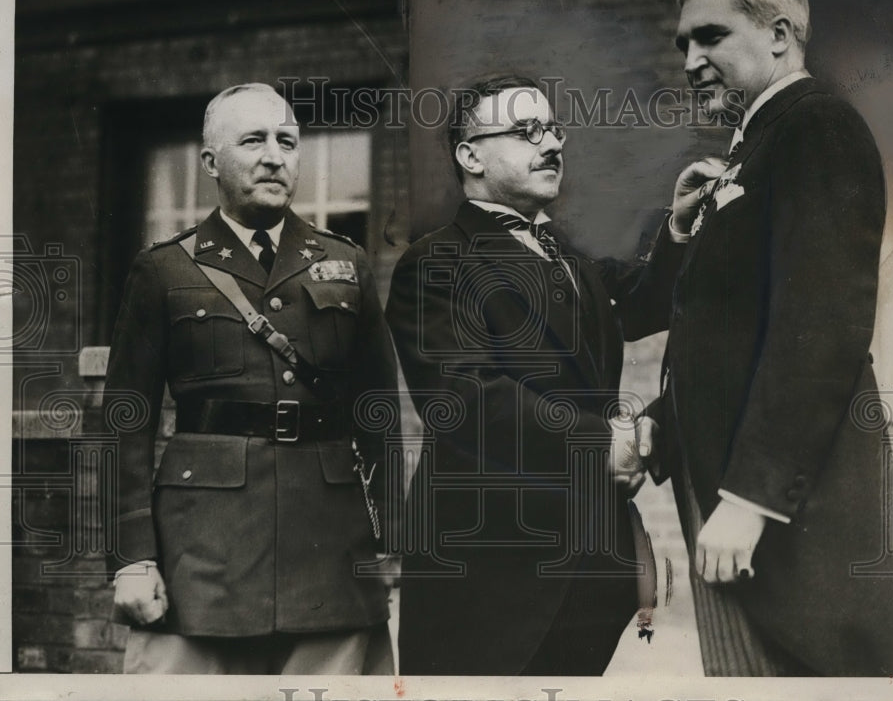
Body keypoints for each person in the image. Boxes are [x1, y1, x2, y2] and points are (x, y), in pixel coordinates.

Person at [603, 0, 893, 676]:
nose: (690, 60)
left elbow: (822, 331)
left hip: (788, 522)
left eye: (710, 36)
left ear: (779, 35)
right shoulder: (754, 150)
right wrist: (660, 425)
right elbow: (725, 341)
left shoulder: (818, 128)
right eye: (683, 43)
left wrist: (751, 497)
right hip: (737, 509)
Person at [105, 83, 400, 674]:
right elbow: (124, 423)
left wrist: (392, 536)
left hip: (329, 546)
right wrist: (132, 557)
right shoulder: (164, 268)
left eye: (287, 141)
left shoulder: (346, 263)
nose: (274, 155)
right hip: (200, 551)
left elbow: (378, 412)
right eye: (253, 140)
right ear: (211, 162)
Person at [385, 75, 644, 675]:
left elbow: (653, 299)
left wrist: (682, 229)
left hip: (587, 570)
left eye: (552, 129)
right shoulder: (434, 262)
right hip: (488, 576)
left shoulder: (572, 259)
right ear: (470, 156)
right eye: (527, 132)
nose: (550, 143)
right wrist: (599, 441)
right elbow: (465, 399)